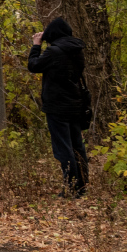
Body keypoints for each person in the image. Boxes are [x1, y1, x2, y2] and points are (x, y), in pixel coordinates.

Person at [27, 17, 90, 198]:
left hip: (57, 107)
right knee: (77, 145)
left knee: (63, 148)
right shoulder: (77, 50)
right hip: (75, 104)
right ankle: (82, 185)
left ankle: (72, 188)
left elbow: (33, 65)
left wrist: (36, 45)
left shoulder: (54, 52)